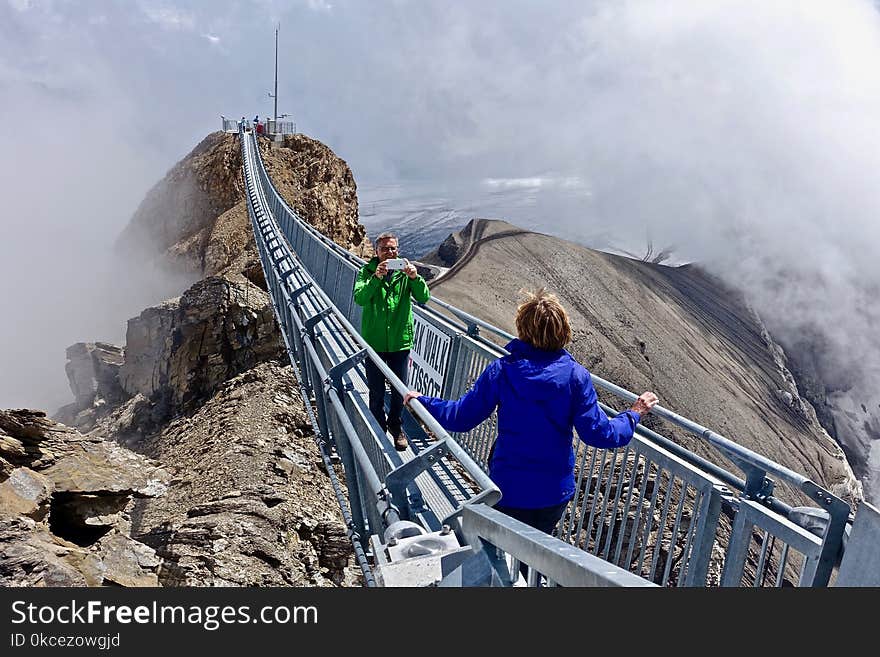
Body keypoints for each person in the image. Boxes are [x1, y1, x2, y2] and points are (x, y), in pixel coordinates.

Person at [404, 288, 659, 538]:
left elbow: (461, 417)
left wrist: (422, 401)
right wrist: (633, 413)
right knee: (536, 553)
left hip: (508, 488)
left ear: (523, 329)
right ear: (564, 331)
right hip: (553, 493)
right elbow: (599, 434)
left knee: (505, 553)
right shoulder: (576, 376)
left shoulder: (503, 370)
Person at [354, 232, 430, 451]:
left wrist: (416, 278)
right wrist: (376, 278)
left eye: (393, 249)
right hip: (375, 342)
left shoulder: (405, 273)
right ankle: (378, 429)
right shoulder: (366, 272)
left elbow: (424, 297)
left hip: (400, 341)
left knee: (399, 391)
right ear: (377, 252)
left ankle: (396, 427)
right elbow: (360, 298)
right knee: (376, 391)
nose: (390, 252)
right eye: (385, 249)